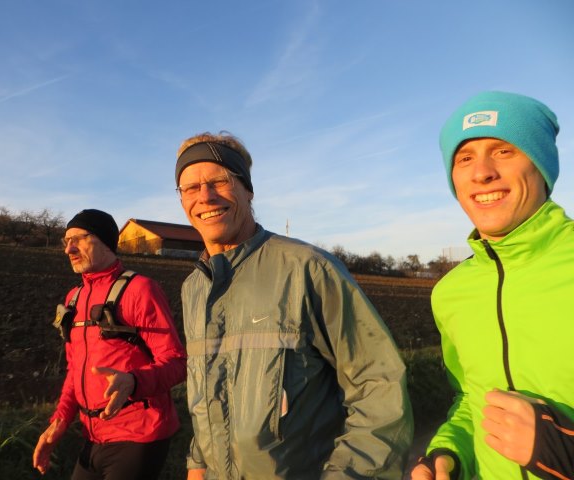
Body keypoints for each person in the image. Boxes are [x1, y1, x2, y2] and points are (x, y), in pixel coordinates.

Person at [174, 132, 413, 479]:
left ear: (247, 189)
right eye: (190, 188)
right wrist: (197, 463)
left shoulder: (308, 268)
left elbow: (378, 386)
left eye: (219, 181)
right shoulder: (194, 288)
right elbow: (206, 389)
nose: (205, 196)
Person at [411, 91, 574, 480]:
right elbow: (471, 399)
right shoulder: (451, 293)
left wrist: (564, 449)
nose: (481, 172)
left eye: (503, 151)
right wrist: (448, 451)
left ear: (541, 167)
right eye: (465, 158)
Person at [33, 209, 187, 480]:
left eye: (79, 238)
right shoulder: (73, 299)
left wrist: (133, 381)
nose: (69, 248)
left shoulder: (140, 290)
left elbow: (176, 362)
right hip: (94, 435)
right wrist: (59, 422)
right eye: (65, 241)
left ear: (105, 241)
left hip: (139, 434)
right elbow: (74, 369)